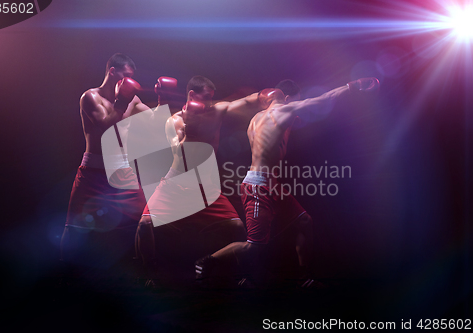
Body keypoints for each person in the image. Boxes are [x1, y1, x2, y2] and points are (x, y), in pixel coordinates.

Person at [195, 77, 380, 288]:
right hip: (258, 186)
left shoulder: (256, 118)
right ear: (289, 98)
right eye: (296, 102)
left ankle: (303, 278)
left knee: (304, 221)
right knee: (255, 245)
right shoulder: (282, 111)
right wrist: (351, 87)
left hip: (270, 185)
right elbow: (322, 99)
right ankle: (208, 261)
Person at [136, 75, 276, 286]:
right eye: (206, 97)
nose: (210, 102)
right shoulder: (174, 121)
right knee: (145, 225)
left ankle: (240, 276)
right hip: (175, 183)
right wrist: (190, 131)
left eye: (212, 97)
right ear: (192, 95)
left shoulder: (216, 111)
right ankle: (149, 274)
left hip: (204, 187)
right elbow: (178, 154)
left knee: (238, 228)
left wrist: (264, 97)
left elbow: (244, 103)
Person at [60, 53, 151, 280]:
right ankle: (63, 276)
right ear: (112, 71)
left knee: (146, 221)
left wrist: (163, 100)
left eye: (131, 77)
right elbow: (107, 126)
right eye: (126, 75)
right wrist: (121, 100)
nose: (129, 80)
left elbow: (157, 120)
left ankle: (147, 272)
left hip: (122, 172)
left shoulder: (133, 100)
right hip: (93, 173)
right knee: (74, 227)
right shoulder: (90, 97)